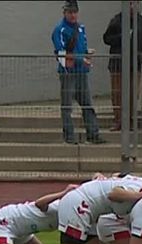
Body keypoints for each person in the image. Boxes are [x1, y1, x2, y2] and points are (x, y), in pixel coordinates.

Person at [52, 0, 106, 145]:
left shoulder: (81, 28)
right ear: (65, 13)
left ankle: (93, 134)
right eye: (70, 12)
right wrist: (82, 58)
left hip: (82, 71)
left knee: (87, 104)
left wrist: (86, 53)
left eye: (75, 12)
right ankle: (69, 137)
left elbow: (81, 48)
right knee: (67, 106)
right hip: (68, 72)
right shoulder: (60, 30)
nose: (73, 15)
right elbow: (61, 52)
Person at [103, 0, 142, 131]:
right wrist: (121, 37)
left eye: (134, 3)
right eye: (129, 3)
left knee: (132, 93)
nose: (131, 6)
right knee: (117, 93)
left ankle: (129, 120)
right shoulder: (117, 20)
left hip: (134, 65)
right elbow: (106, 38)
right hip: (117, 65)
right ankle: (118, 120)